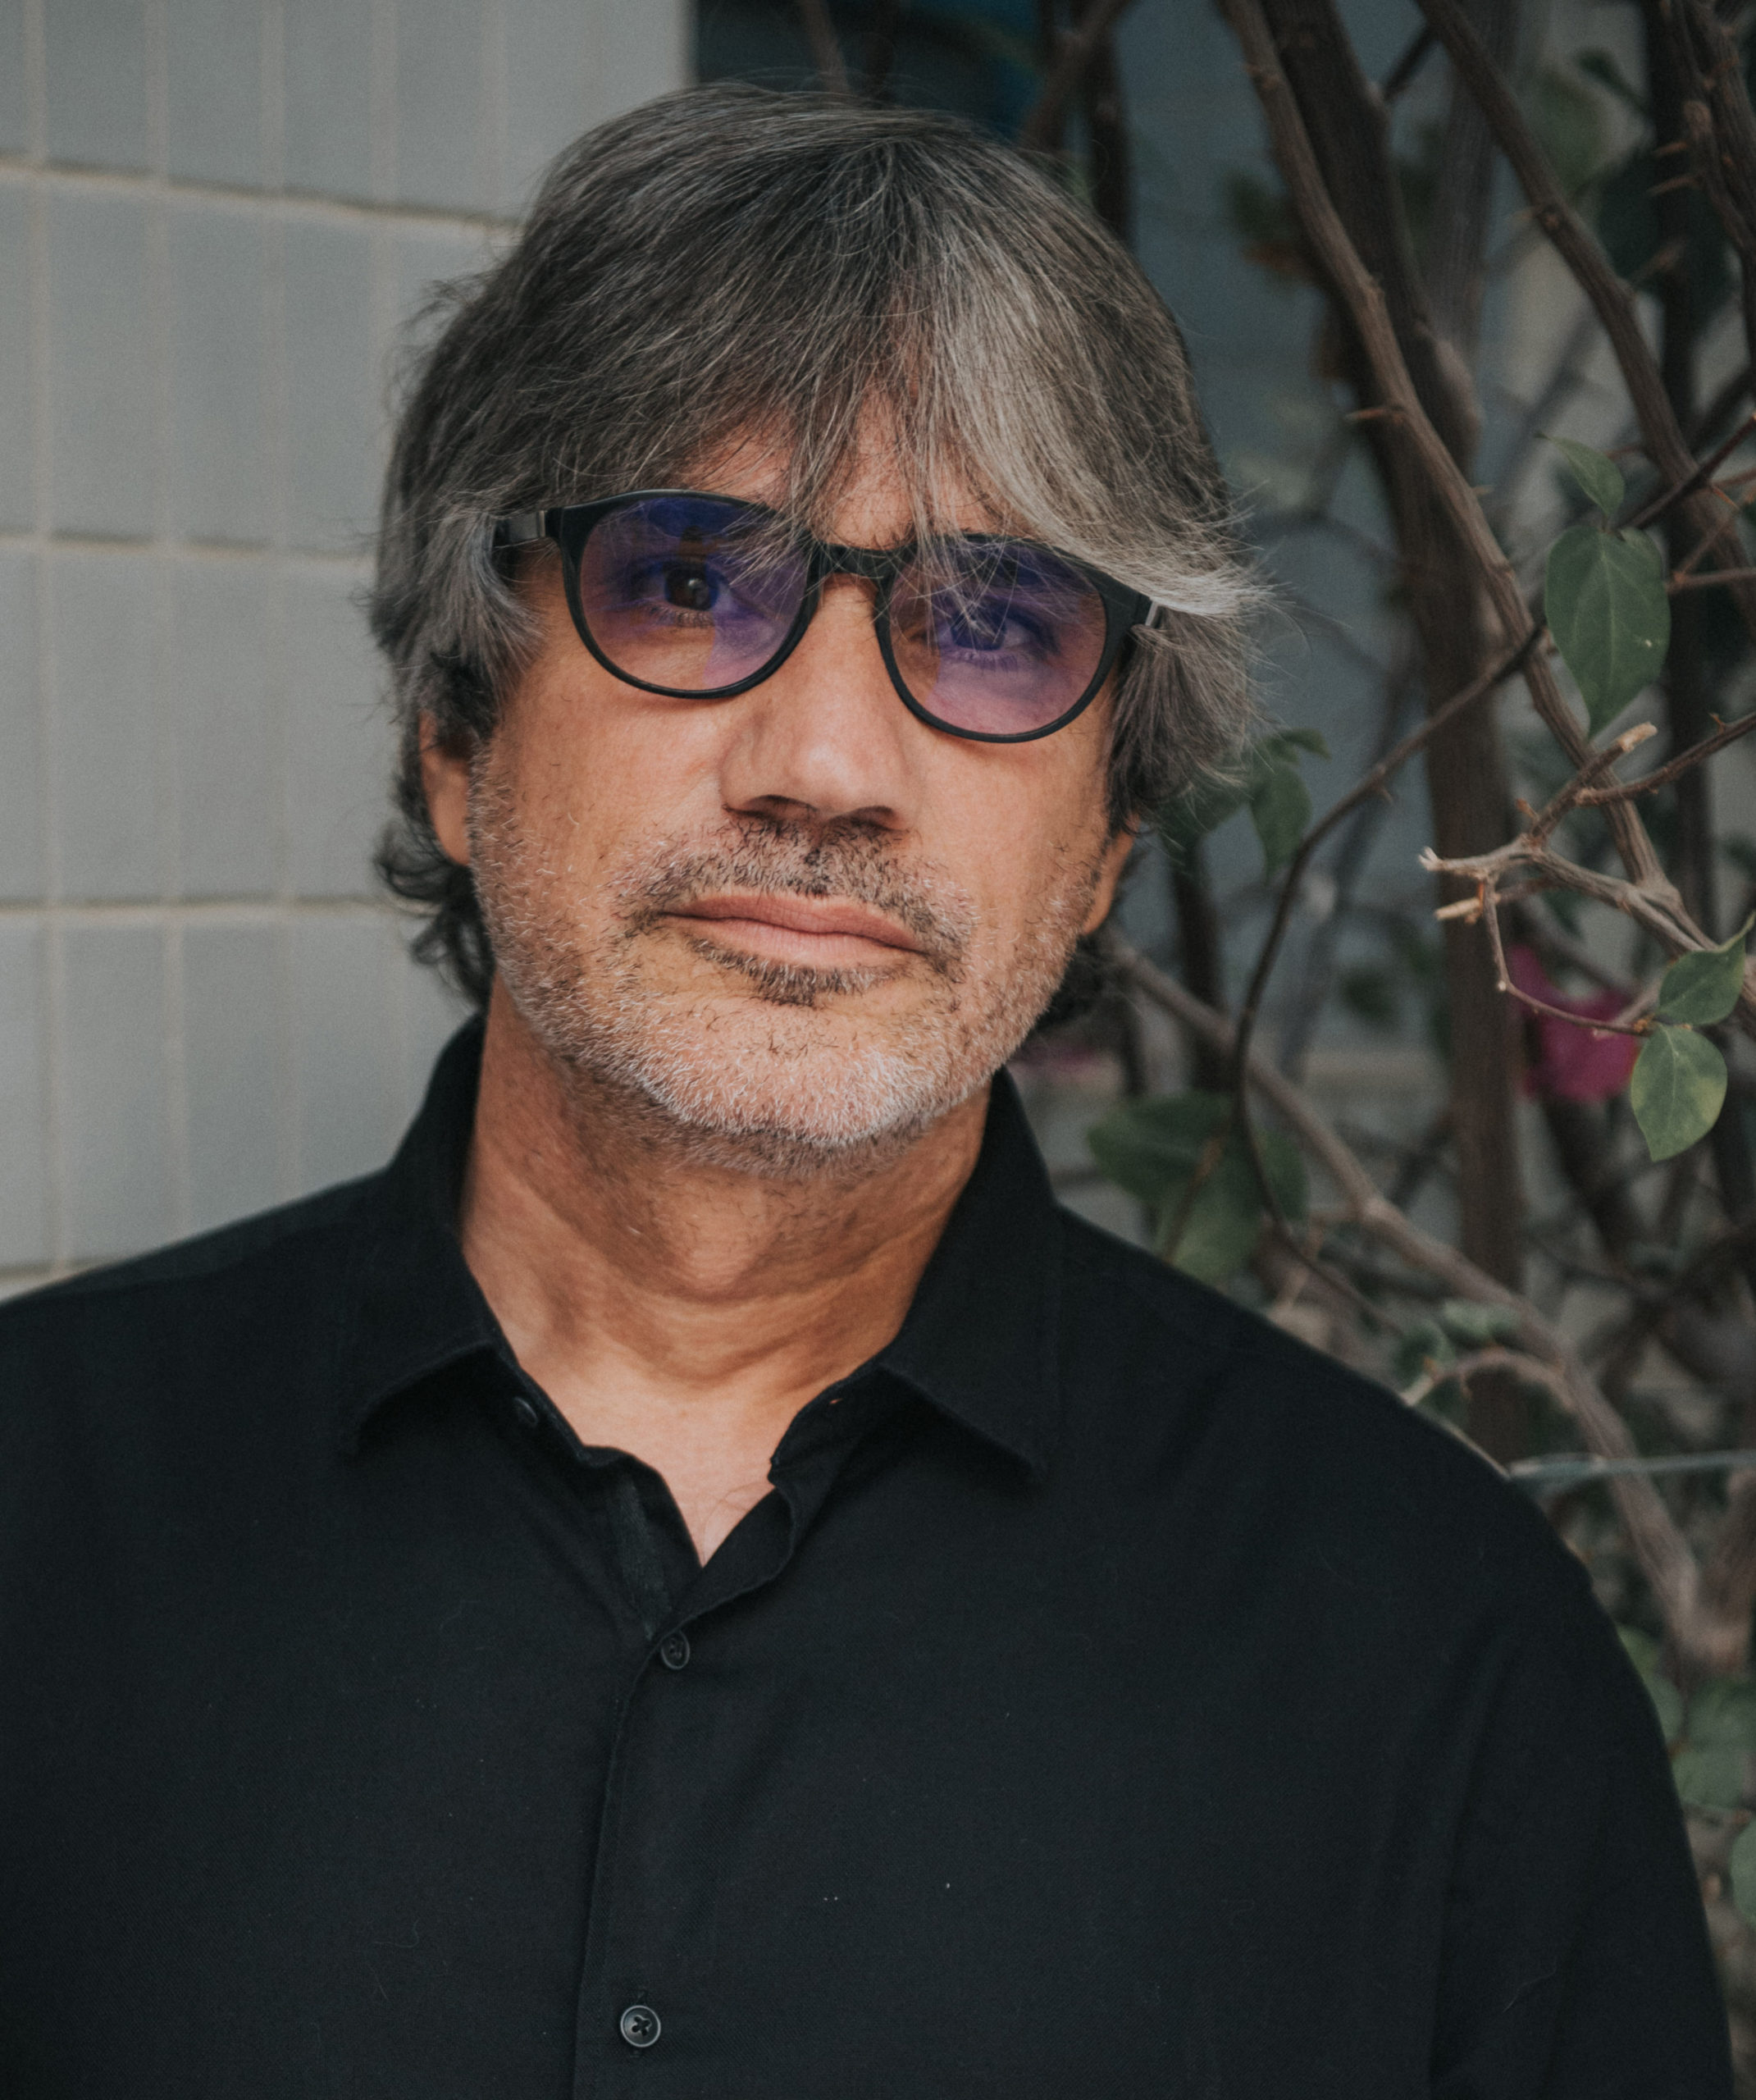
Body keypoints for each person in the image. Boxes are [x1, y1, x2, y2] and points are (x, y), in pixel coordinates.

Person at [0, 84, 1729, 2098]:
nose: (824, 764)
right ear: (457, 734)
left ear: (1105, 840)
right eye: (686, 581)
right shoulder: (38, 1514)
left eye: (993, 621)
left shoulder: (1441, 1659)